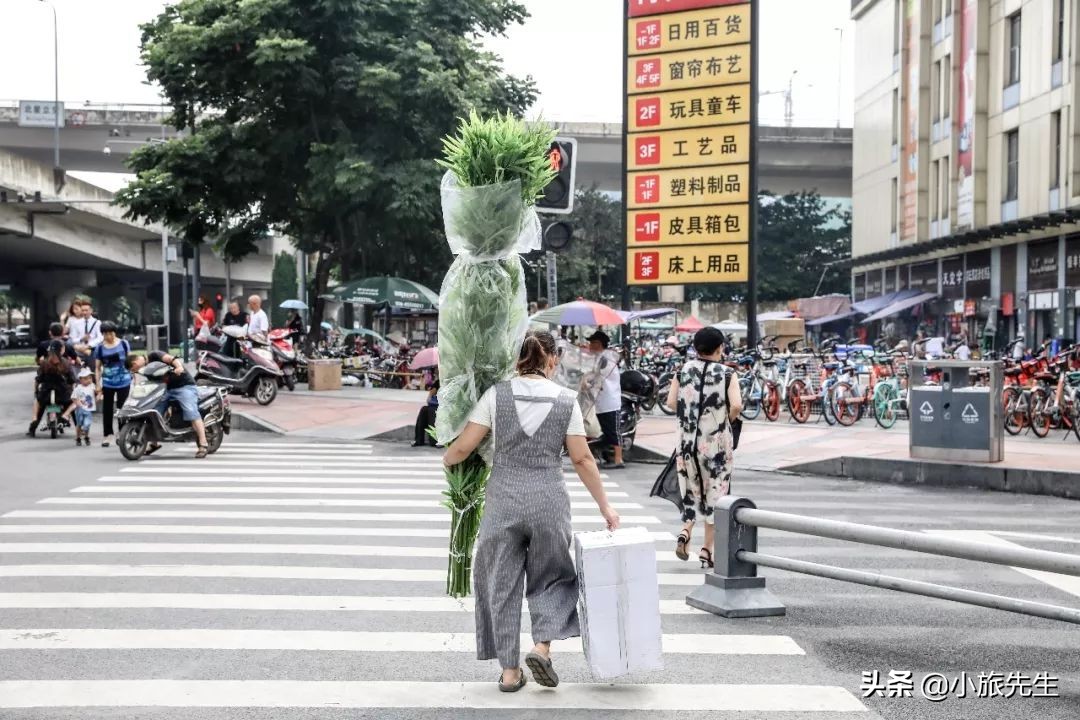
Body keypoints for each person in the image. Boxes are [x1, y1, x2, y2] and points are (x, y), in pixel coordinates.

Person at [441, 330, 619, 692]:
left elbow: (464, 447)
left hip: (503, 501)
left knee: (501, 582)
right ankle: (541, 648)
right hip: (548, 500)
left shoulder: (496, 394)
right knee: (552, 577)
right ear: (552, 360)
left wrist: (449, 460)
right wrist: (606, 507)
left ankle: (509, 672)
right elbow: (582, 459)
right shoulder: (566, 400)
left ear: (518, 358)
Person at [664, 327, 742, 570]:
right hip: (716, 446)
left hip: (687, 443)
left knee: (691, 488)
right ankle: (707, 550)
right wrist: (724, 421)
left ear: (696, 348)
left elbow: (671, 402)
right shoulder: (727, 374)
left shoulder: (682, 371)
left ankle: (686, 530)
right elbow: (737, 406)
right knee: (715, 494)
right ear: (720, 348)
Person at [129, 349, 210, 458]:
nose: (135, 371)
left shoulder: (155, 355)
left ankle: (203, 443)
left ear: (134, 363)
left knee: (190, 411)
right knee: (152, 412)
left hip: (184, 386)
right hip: (165, 390)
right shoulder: (145, 369)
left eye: (133, 369)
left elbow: (171, 359)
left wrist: (179, 367)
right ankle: (154, 443)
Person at [585, 330, 624, 470]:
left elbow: (598, 376)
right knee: (607, 432)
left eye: (592, 343)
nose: (589, 346)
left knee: (613, 431)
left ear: (599, 344)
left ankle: (619, 460)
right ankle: (607, 455)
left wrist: (588, 380)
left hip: (610, 402)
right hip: (601, 401)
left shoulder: (606, 359)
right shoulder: (600, 357)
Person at [93, 322, 133, 448]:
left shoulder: (123, 344)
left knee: (122, 408)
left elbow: (130, 362)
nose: (109, 336)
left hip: (124, 380)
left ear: (115, 332)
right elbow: (97, 368)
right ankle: (108, 434)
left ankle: (122, 433)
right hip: (108, 382)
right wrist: (97, 384)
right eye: (105, 334)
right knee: (107, 409)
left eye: (111, 333)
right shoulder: (100, 348)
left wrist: (135, 377)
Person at [28, 341, 75, 437]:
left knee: (38, 402)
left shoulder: (44, 363)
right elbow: (72, 380)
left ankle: (34, 423)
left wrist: (36, 391)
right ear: (61, 350)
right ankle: (73, 422)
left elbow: (38, 379)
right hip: (62, 394)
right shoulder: (66, 363)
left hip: (46, 393)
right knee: (73, 403)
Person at [63, 367, 97, 446]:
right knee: (79, 424)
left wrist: (98, 395)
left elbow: (97, 392)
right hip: (80, 410)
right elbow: (73, 397)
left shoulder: (92, 386)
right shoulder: (78, 388)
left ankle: (86, 436)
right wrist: (77, 403)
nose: (89, 380)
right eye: (86, 378)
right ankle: (78, 437)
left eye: (90, 378)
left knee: (87, 424)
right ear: (81, 380)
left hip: (88, 409)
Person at [412, 368, 440, 448]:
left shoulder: (450, 382)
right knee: (424, 409)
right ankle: (419, 440)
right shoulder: (438, 382)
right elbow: (428, 399)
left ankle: (435, 440)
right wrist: (431, 394)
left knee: (432, 411)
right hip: (437, 405)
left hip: (447, 408)